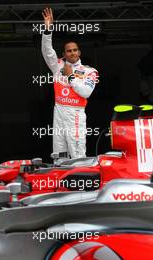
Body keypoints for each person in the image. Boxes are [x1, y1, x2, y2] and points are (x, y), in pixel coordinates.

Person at [41, 8, 99, 159]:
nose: (72, 53)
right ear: (64, 54)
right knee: (59, 155)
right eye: (69, 51)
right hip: (59, 111)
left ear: (79, 52)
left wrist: (71, 76)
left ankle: (79, 180)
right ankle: (62, 181)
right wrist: (48, 29)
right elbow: (47, 51)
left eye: (75, 50)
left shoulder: (89, 71)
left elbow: (86, 92)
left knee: (77, 155)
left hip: (76, 114)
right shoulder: (57, 65)